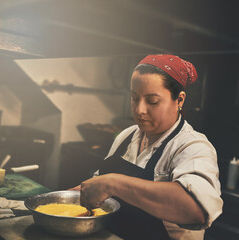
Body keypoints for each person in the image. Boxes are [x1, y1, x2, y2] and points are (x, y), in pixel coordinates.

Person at [72, 54, 223, 240]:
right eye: (135, 98)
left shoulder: (193, 146)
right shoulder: (127, 135)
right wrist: (75, 195)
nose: (139, 110)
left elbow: (195, 209)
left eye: (152, 101)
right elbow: (99, 187)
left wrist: (113, 184)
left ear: (180, 100)